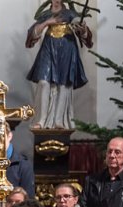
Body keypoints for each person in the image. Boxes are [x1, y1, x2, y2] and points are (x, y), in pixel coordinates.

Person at [26, 0, 92, 129]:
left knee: (64, 83)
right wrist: (47, 23)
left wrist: (82, 27)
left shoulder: (69, 13)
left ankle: (59, 120)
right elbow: (32, 33)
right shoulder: (46, 14)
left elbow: (83, 30)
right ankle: (42, 120)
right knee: (43, 82)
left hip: (67, 48)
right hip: (49, 48)